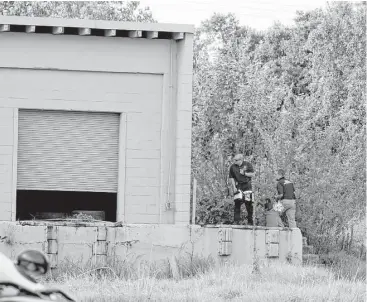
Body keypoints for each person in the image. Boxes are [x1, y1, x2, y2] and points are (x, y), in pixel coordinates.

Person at [229, 154, 255, 225]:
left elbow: (252, 174)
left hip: (247, 185)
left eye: (236, 160)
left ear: (241, 160)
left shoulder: (247, 164)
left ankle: (250, 221)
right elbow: (231, 177)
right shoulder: (233, 167)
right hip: (238, 186)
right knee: (237, 203)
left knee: (248, 203)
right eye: (234, 160)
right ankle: (236, 221)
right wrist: (234, 187)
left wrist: (244, 173)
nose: (234, 161)